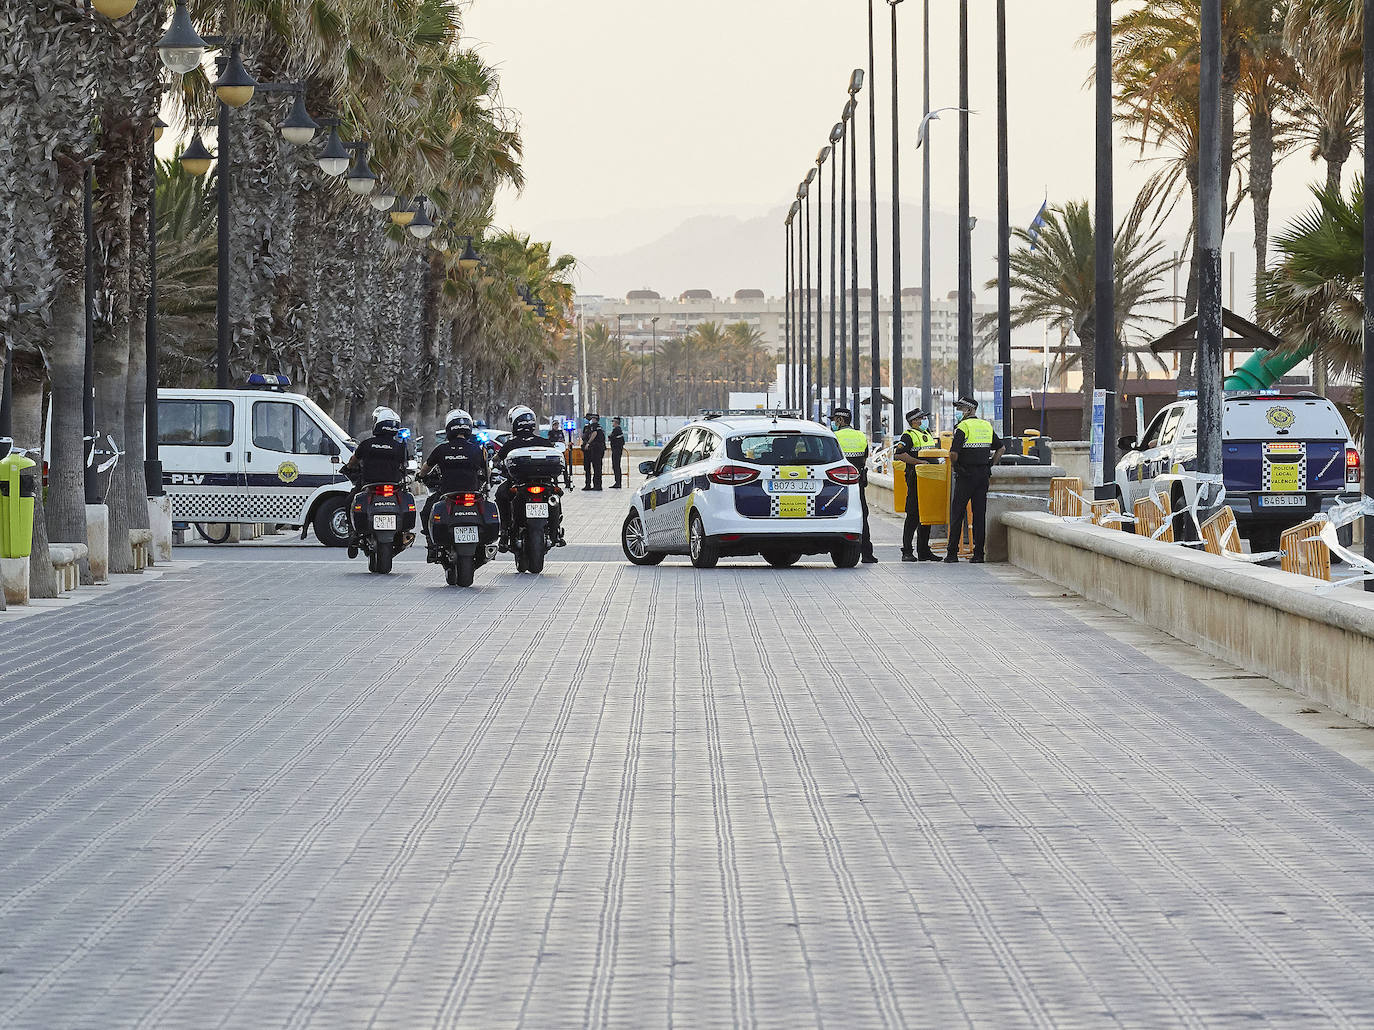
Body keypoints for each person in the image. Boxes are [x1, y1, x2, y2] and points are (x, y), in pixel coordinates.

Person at [418, 408, 488, 561]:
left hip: (447, 492)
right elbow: (486, 471)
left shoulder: (441, 449)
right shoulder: (477, 449)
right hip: (472, 493)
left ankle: (432, 545)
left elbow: (426, 467)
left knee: (425, 513)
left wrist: (420, 476)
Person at [340, 406, 409, 554]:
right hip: (393, 487)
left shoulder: (367, 444)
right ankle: (402, 532)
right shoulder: (400, 447)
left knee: (349, 501)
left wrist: (348, 467)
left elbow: (353, 461)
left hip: (369, 485)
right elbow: (404, 465)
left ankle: (352, 532)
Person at [494, 404, 563, 549]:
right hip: (544, 484)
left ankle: (505, 531)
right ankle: (556, 531)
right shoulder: (543, 442)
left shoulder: (510, 444)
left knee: (500, 495)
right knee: (556, 494)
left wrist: (494, 466)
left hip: (518, 484)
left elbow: (496, 460)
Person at [945, 396, 1004, 564]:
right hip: (982, 475)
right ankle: (978, 554)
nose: (958, 412)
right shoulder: (986, 425)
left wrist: (956, 466)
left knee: (957, 513)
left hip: (966, 475)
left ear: (969, 410)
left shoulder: (962, 427)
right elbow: (1001, 448)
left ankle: (951, 554)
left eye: (961, 409)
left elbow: (953, 453)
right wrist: (990, 465)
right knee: (979, 515)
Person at [830, 407, 877, 564]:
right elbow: (864, 458)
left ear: (840, 420)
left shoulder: (834, 437)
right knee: (862, 516)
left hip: (837, 484)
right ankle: (867, 554)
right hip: (858, 483)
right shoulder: (860, 436)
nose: (833, 423)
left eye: (835, 420)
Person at [893, 407, 940, 562]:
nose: (925, 420)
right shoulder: (908, 436)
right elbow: (899, 454)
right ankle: (907, 551)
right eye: (922, 418)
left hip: (929, 480)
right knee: (913, 515)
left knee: (926, 515)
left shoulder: (926, 434)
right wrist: (919, 462)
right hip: (915, 479)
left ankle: (924, 551)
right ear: (914, 421)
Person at [546, 419, 574, 488]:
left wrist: (563, 443)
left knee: (565, 467)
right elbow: (549, 441)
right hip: (554, 451)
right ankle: (555, 482)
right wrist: (555, 443)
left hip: (561, 451)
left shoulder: (560, 432)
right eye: (555, 425)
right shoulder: (551, 432)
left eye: (557, 425)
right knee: (554, 466)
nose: (556, 426)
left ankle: (567, 482)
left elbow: (563, 440)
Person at [582, 412, 606, 490]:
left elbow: (594, 434)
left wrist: (588, 443)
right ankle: (588, 484)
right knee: (588, 468)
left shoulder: (595, 426)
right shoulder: (588, 427)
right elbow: (584, 436)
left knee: (597, 467)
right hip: (590, 450)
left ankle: (597, 485)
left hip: (595, 449)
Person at [609, 416, 626, 488]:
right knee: (616, 466)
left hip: (616, 450)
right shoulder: (618, 430)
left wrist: (611, 438)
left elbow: (611, 437)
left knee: (616, 466)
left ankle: (618, 482)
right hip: (616, 450)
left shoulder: (617, 430)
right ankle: (617, 482)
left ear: (616, 423)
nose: (612, 423)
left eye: (613, 422)